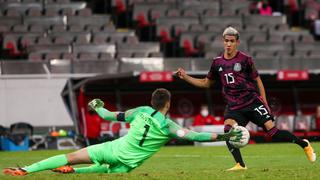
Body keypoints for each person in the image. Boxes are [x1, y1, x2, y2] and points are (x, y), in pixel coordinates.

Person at [3, 88, 243, 176]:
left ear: (152, 101)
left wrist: (97, 106)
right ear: (168, 105)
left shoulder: (139, 111)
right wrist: (226, 136)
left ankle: (26, 170)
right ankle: (75, 172)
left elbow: (108, 115)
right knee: (109, 171)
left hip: (111, 148)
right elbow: (196, 136)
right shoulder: (170, 127)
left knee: (71, 155)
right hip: (127, 164)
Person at [176, 27, 316, 171]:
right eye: (226, 41)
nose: (228, 44)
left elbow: (258, 80)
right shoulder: (217, 62)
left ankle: (304, 144)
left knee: (272, 132)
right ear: (223, 42)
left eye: (231, 41)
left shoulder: (245, 60)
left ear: (237, 42)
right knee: (228, 132)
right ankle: (240, 164)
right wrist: (185, 76)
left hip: (252, 102)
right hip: (234, 106)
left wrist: (265, 102)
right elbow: (206, 83)